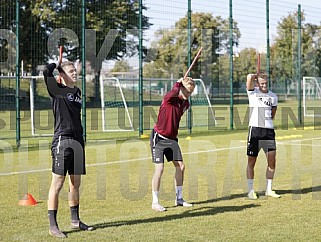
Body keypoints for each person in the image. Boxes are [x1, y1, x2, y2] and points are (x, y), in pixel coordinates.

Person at [43, 58, 94, 238]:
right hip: (62, 141)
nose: (75, 73)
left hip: (78, 140)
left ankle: (75, 220)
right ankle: (53, 225)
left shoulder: (77, 92)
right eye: (71, 71)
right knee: (57, 184)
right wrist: (56, 66)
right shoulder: (56, 90)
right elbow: (45, 72)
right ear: (62, 75)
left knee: (75, 183)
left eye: (75, 70)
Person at [150, 76, 195, 211]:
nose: (189, 95)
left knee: (180, 167)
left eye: (191, 92)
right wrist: (178, 83)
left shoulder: (186, 104)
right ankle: (155, 202)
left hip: (172, 139)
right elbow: (172, 93)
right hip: (159, 137)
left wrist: (182, 87)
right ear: (181, 88)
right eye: (187, 91)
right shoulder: (169, 99)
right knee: (160, 168)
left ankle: (179, 198)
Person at [246, 72, 281, 199]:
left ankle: (269, 189)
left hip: (268, 132)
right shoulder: (253, 93)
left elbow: (273, 112)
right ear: (257, 83)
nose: (264, 85)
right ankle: (250, 190)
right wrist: (254, 76)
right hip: (255, 130)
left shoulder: (273, 96)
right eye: (261, 83)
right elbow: (249, 78)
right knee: (252, 161)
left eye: (266, 83)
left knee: (272, 162)